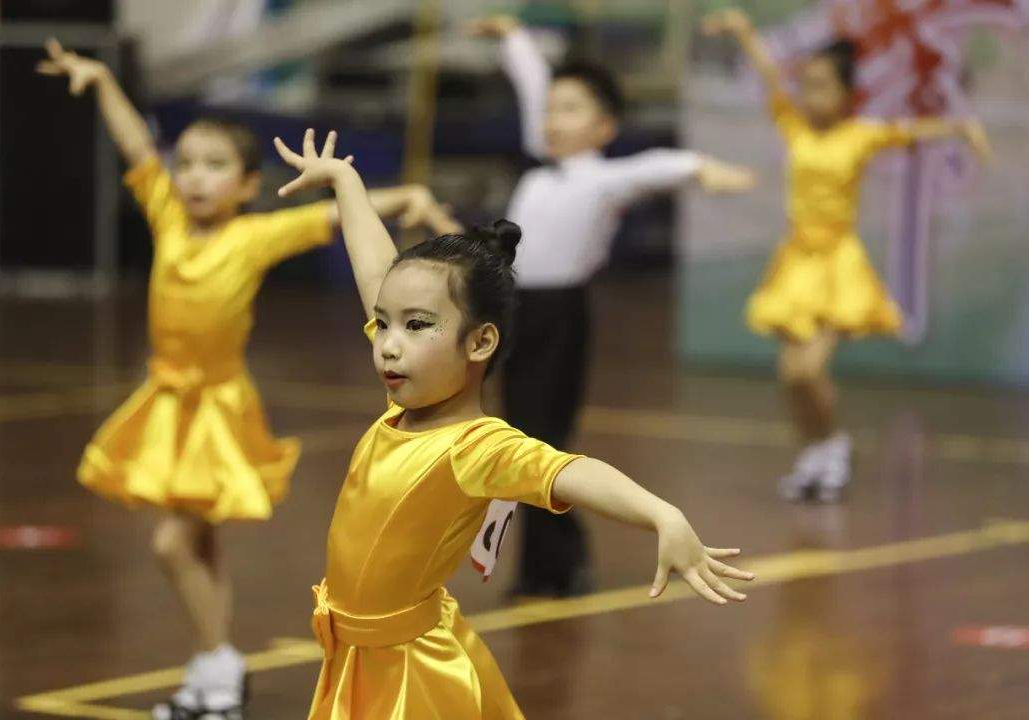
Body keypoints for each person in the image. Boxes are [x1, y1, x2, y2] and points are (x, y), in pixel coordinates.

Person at [37, 39, 459, 720]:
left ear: (245, 185)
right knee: (199, 540)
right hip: (166, 400)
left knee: (173, 542)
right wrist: (104, 80)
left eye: (216, 166)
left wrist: (406, 195)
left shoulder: (254, 238)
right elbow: (136, 149)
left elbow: (331, 217)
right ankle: (211, 682)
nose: (196, 177)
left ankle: (220, 665)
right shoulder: (168, 218)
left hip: (216, 408)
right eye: (189, 164)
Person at [272, 127, 754, 719]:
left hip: (412, 675)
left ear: (480, 343)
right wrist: (347, 182)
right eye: (383, 324)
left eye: (416, 326)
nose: (388, 346)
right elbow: (375, 269)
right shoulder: (402, 408)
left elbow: (572, 470)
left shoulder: (477, 446)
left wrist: (661, 513)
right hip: (355, 660)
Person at [466, 14, 756, 597]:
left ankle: (555, 567)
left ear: (603, 127)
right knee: (517, 438)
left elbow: (653, 169)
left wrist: (704, 169)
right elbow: (530, 87)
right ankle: (553, 564)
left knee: (540, 441)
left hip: (558, 317)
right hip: (512, 311)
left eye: (570, 109)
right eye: (551, 109)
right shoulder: (538, 160)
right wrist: (514, 38)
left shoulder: (600, 179)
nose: (551, 118)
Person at [701, 10, 992, 503]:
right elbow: (771, 78)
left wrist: (961, 129)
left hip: (837, 265)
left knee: (811, 370)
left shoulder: (860, 135)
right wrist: (746, 32)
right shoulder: (794, 128)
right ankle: (814, 451)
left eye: (822, 87)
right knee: (790, 375)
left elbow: (909, 130)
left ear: (847, 95)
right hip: (796, 264)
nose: (810, 96)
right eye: (807, 85)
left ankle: (833, 444)